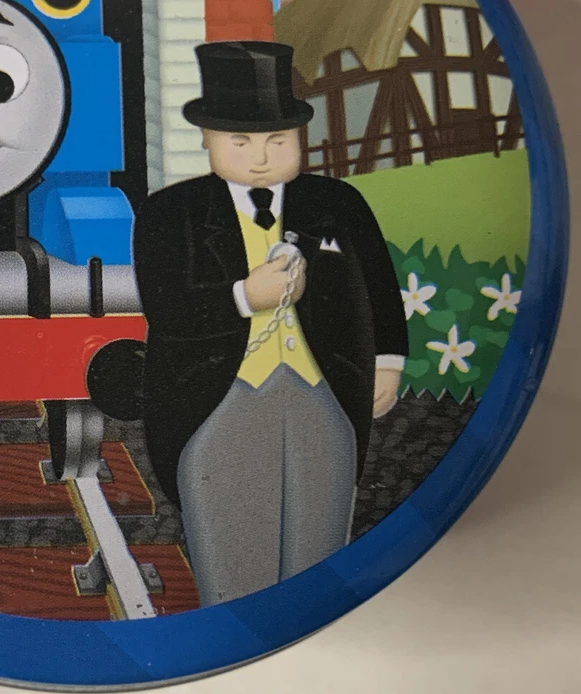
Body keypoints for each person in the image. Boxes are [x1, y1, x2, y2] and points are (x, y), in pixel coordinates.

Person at [133, 40, 408, 605]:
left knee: (319, 553)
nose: (260, 157)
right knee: (235, 560)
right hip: (216, 400)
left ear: (301, 138)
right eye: (240, 141)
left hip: (324, 394)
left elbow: (378, 283)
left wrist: (387, 360)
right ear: (206, 138)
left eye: (278, 140)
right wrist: (244, 296)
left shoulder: (339, 204)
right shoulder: (169, 214)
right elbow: (167, 309)